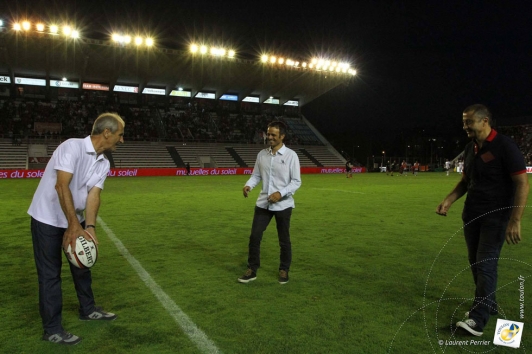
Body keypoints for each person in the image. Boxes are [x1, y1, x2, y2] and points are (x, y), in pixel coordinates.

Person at [28, 112, 125, 345]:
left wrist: (88, 227)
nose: (122, 140)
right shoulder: (71, 147)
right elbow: (62, 186)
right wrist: (73, 226)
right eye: (120, 135)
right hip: (47, 219)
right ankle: (52, 329)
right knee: (50, 275)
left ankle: (88, 310)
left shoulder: (103, 161)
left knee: (83, 266)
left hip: (74, 218)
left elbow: (94, 195)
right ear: (107, 133)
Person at [436, 104, 529, 337]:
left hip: (496, 216)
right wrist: (449, 199)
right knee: (475, 262)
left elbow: (522, 183)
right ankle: (488, 303)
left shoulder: (505, 146)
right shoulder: (470, 148)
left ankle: (477, 320)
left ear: (485, 121)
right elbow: (466, 182)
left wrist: (515, 219)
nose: (464, 126)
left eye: (469, 122)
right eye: (464, 122)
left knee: (485, 263)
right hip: (472, 214)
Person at [239, 121, 301, 284]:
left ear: (282, 136)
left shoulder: (291, 156)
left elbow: (296, 181)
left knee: (284, 239)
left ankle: (284, 270)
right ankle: (252, 269)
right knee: (255, 236)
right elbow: (256, 175)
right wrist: (248, 185)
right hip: (263, 203)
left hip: (283, 205)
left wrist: (280, 193)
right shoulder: (262, 155)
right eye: (269, 134)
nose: (270, 137)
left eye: (274, 134)